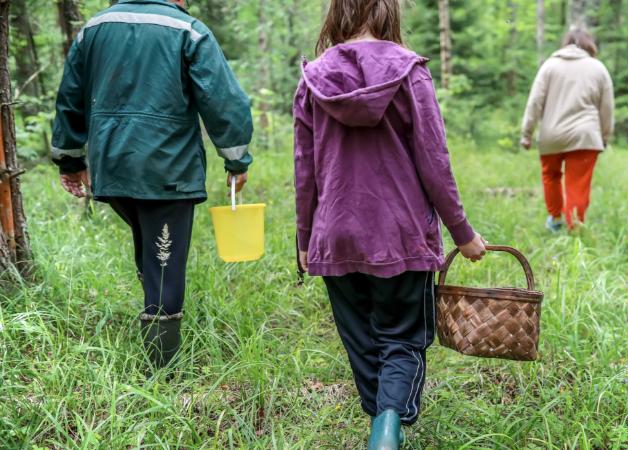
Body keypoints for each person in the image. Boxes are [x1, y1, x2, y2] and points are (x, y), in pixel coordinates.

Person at [293, 0, 486, 447]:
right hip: (401, 236)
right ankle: (388, 429)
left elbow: (305, 169)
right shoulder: (409, 72)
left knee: (363, 343)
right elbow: (434, 160)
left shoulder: (313, 77)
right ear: (387, 13)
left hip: (335, 235)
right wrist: (464, 233)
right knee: (400, 339)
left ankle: (382, 423)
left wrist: (306, 238)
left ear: (337, 15)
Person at [51, 0, 253, 377]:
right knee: (165, 263)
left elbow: (70, 96)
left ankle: (156, 331)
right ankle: (162, 374)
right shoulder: (188, 30)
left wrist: (70, 159)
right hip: (167, 169)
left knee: (151, 248)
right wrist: (237, 160)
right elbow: (223, 100)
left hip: (112, 166)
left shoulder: (93, 28)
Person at [520, 28, 614, 231]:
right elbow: (607, 107)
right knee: (577, 183)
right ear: (590, 44)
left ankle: (555, 219)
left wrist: (527, 134)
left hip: (551, 135)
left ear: (566, 43)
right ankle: (575, 228)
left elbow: (534, 102)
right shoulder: (598, 68)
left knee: (551, 176)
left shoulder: (550, 66)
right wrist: (605, 136)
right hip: (585, 136)